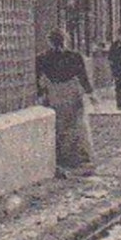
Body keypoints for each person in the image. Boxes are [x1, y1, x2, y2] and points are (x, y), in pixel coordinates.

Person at [36, 31, 95, 176]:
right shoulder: (74, 56)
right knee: (76, 125)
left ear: (49, 41)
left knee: (60, 126)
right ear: (66, 40)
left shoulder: (42, 58)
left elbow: (37, 78)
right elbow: (83, 77)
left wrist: (40, 93)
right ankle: (78, 157)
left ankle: (62, 156)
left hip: (55, 93)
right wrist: (90, 93)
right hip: (72, 92)